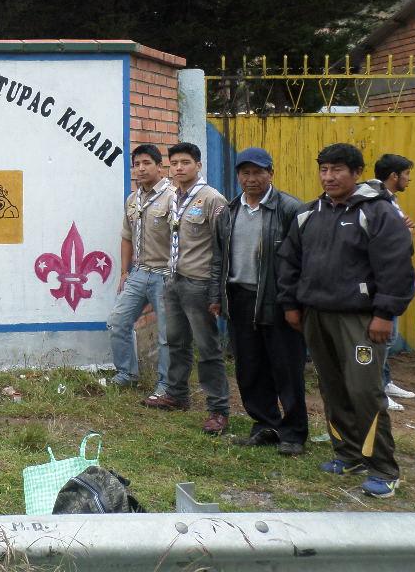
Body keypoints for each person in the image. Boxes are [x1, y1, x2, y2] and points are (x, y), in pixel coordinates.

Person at [278, 143, 414, 498]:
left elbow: (396, 266)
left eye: (337, 169)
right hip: (316, 316)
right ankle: (349, 454)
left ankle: (384, 469)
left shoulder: (378, 212)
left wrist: (385, 313)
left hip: (361, 320)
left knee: (365, 391)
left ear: (355, 173)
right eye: (324, 169)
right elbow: (290, 262)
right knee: (332, 387)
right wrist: (291, 304)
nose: (329, 176)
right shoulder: (310, 213)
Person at [210, 148, 307, 455]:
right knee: (249, 367)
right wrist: (216, 296)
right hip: (240, 298)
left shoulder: (290, 209)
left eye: (257, 173)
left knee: (286, 368)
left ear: (271, 174)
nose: (250, 179)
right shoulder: (229, 211)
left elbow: (303, 261)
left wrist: (295, 303)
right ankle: (265, 424)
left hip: (277, 300)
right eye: (245, 173)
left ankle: (293, 433)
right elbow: (218, 258)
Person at [142, 142, 230, 436]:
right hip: (174, 280)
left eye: (185, 163)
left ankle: (218, 409)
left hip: (199, 283)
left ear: (198, 165)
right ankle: (177, 395)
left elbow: (222, 249)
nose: (179, 168)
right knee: (177, 341)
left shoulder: (212, 200)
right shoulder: (175, 198)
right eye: (175, 163)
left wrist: (217, 293)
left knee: (207, 348)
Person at [106, 144, 172, 395]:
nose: (141, 169)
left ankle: (166, 385)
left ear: (159, 166)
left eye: (146, 163)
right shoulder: (133, 199)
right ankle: (126, 373)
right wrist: (124, 271)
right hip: (139, 272)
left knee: (167, 334)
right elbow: (126, 237)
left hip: (165, 275)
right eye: (137, 164)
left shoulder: (173, 197)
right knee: (117, 321)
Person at [371, 153, 415, 410]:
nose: (409, 179)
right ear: (394, 176)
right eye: (406, 174)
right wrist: (405, 230)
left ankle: (385, 381)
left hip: (393, 283)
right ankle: (377, 387)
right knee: (382, 339)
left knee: (388, 338)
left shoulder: (389, 200)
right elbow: (394, 238)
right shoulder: (378, 201)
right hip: (382, 283)